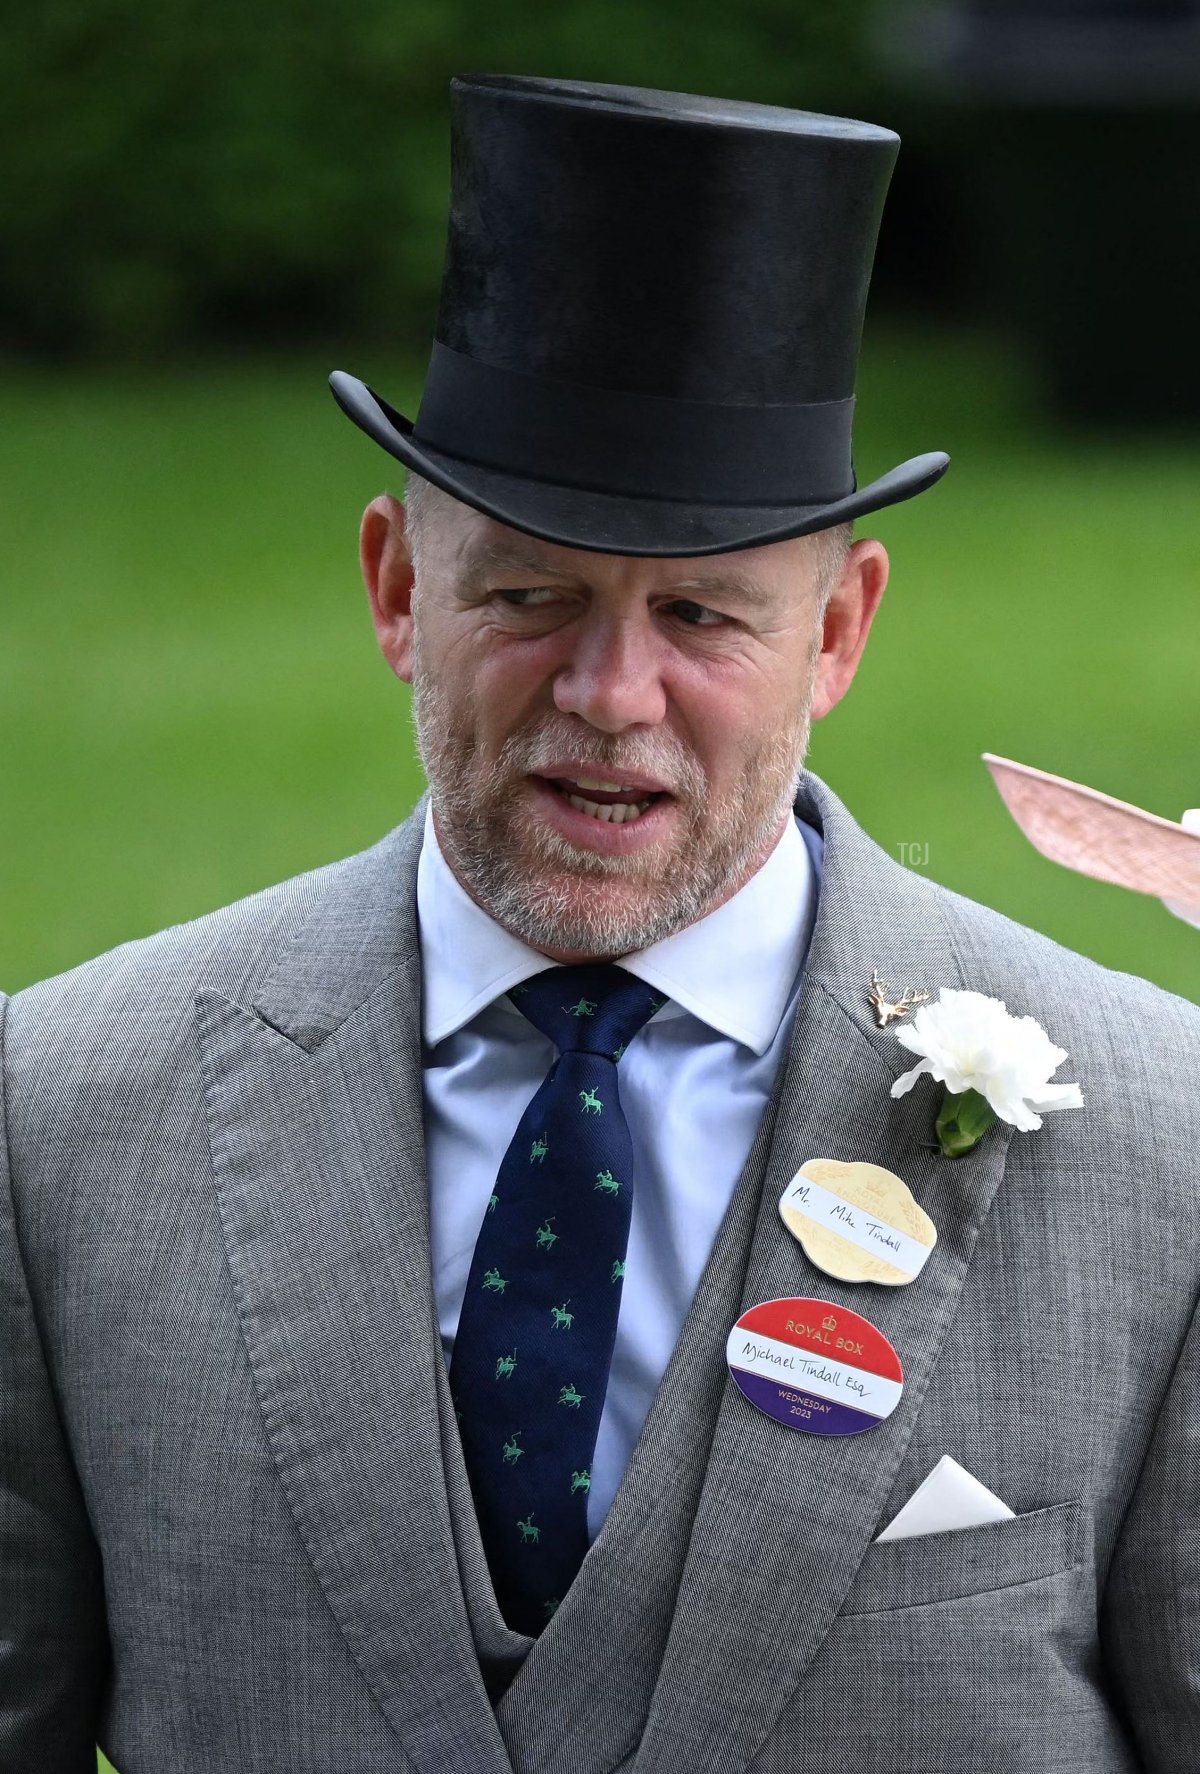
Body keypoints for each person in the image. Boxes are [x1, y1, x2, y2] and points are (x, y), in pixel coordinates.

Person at [2, 73, 1198, 1774]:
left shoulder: (1170, 1149)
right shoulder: (52, 1117)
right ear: (400, 591)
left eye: (702, 613)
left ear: (840, 631)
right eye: (532, 594)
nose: (611, 694)